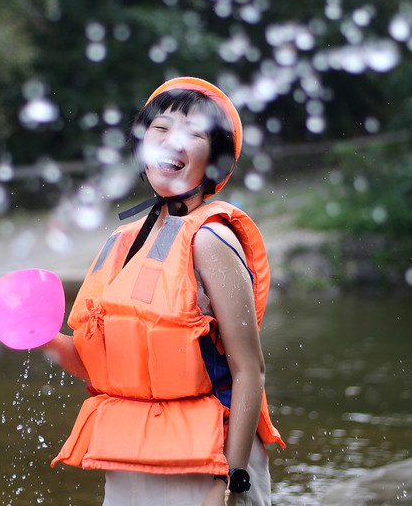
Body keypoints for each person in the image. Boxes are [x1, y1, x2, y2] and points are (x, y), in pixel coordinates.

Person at [40, 77, 285, 506]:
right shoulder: (123, 241)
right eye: (161, 130)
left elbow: (250, 370)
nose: (172, 143)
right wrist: (38, 335)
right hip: (131, 458)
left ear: (214, 161)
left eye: (194, 134)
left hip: (209, 464)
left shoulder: (211, 239)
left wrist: (231, 480)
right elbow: (105, 368)